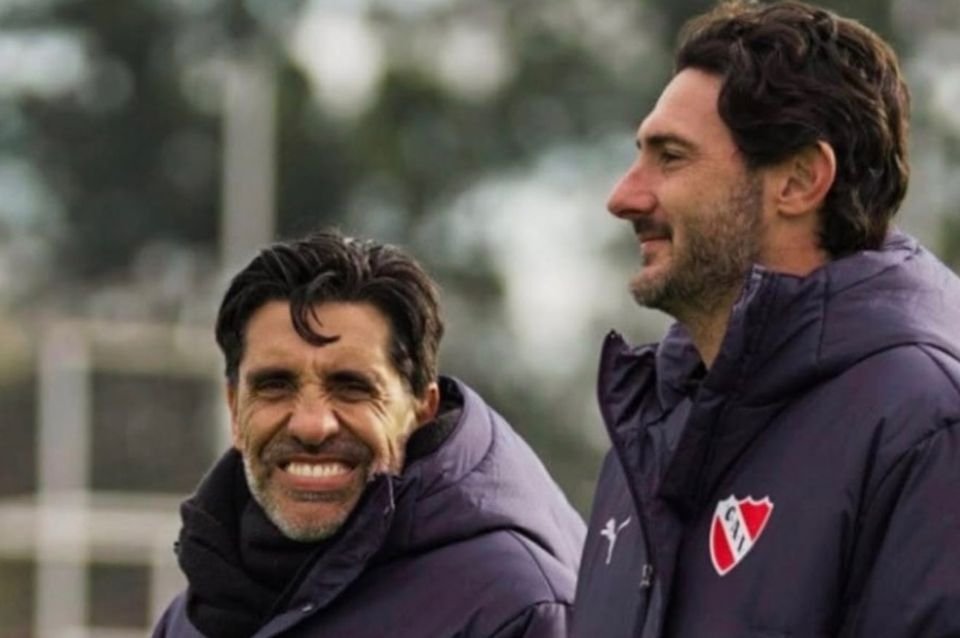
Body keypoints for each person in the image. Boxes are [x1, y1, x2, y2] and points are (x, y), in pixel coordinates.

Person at [571, 1, 960, 637]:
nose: (624, 197)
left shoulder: (926, 423)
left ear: (800, 181)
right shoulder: (647, 434)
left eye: (671, 157)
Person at [152, 231, 585, 637]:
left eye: (351, 387)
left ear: (422, 408)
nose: (311, 425)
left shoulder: (515, 608)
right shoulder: (187, 620)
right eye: (275, 386)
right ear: (234, 408)